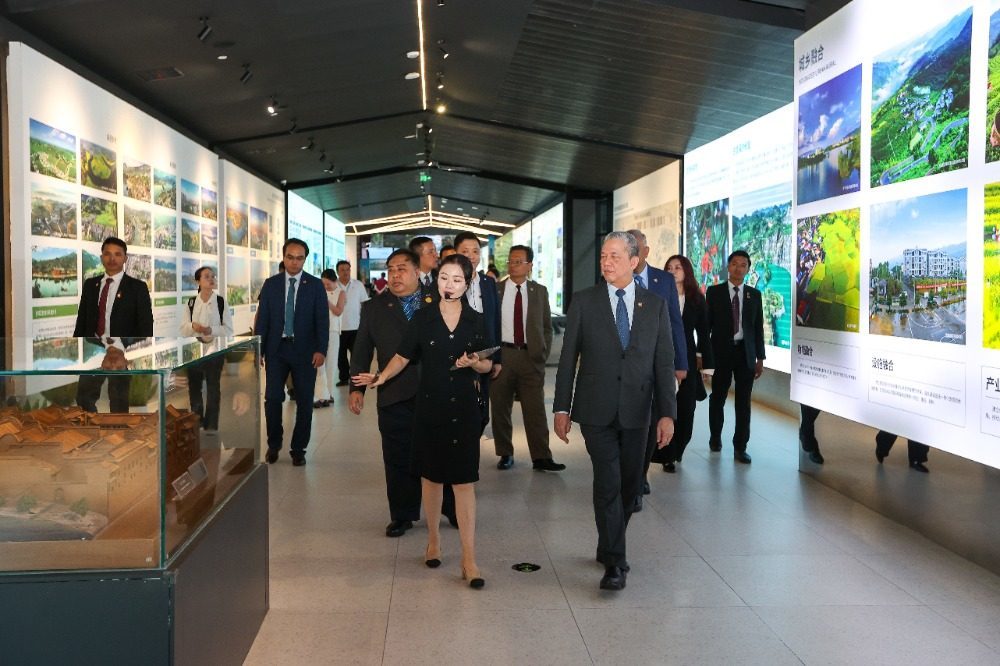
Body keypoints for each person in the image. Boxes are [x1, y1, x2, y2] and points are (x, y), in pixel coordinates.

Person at [354, 254, 491, 589]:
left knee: (464, 481)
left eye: (457, 280)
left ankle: (469, 559)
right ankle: (433, 541)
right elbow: (402, 356)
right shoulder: (423, 317)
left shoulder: (476, 320)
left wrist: (475, 363)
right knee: (431, 478)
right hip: (429, 406)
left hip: (462, 409)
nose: (449, 285)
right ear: (436, 279)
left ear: (467, 283)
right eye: (444, 278)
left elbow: (489, 364)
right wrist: (380, 377)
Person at [554, 231, 676, 591]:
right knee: (607, 481)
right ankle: (615, 563)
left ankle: (608, 542)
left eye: (615, 257)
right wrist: (561, 408)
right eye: (603, 256)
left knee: (629, 485)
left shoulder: (655, 305)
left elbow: (664, 362)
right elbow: (567, 359)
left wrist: (666, 413)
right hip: (596, 408)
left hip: (639, 409)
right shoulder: (584, 301)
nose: (606, 262)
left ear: (634, 261)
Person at [350, 249, 441, 538]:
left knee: (440, 452)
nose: (395, 275)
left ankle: (450, 507)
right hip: (394, 391)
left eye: (402, 268)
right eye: (391, 269)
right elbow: (362, 350)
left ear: (417, 272)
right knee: (397, 455)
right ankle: (402, 514)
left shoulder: (439, 299)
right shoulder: (375, 307)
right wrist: (356, 388)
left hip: (436, 391)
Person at [255, 238, 329, 466]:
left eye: (299, 258)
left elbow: (322, 320)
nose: (294, 262)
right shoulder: (271, 284)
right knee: (272, 398)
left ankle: (299, 449)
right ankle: (274, 444)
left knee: (305, 401)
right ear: (284, 257)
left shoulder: (315, 285)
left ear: (304, 260)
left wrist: (321, 349)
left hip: (305, 352)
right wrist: (258, 349)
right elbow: (263, 319)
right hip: (276, 350)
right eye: (290, 257)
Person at [490, 245, 564, 472]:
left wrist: (542, 354)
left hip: (530, 357)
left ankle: (541, 456)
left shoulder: (539, 291)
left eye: (519, 261)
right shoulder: (496, 290)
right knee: (500, 407)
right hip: (503, 355)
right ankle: (505, 453)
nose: (513, 265)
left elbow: (546, 327)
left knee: (535, 410)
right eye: (511, 261)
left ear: (529, 265)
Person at [628, 229, 687, 508]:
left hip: (656, 365)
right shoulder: (615, 277)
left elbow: (675, 322)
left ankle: (639, 476)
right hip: (626, 365)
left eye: (636, 247)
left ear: (646, 251)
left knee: (651, 421)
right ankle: (628, 475)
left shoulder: (663, 281)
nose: (631, 252)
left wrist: (681, 363)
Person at [74, 237, 153, 413]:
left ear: (125, 258)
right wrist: (79, 349)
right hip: (94, 350)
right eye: (107, 254)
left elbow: (146, 327)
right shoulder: (90, 285)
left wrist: (121, 345)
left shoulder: (137, 287)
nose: (112, 259)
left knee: (119, 402)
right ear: (101, 257)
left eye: (117, 254)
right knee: (84, 399)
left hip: (124, 352)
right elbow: (81, 322)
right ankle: (91, 428)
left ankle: (117, 430)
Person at [703, 250, 765, 464]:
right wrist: (704, 356)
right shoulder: (714, 292)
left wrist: (760, 358)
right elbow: (706, 326)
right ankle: (715, 437)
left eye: (743, 265)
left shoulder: (754, 295)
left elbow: (757, 329)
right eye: (735, 264)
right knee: (718, 397)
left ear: (748, 269)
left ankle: (740, 447)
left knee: (743, 402)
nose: (738, 268)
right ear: (728, 267)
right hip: (721, 352)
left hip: (745, 353)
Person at [655, 254, 713, 472]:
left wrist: (707, 365)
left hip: (686, 361)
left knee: (686, 409)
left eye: (677, 267)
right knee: (663, 407)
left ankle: (678, 448)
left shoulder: (696, 300)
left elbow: (704, 334)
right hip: (660, 358)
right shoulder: (657, 296)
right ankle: (666, 455)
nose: (672, 271)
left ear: (686, 271)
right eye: (669, 268)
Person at [453, 231, 502, 433]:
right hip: (458, 357)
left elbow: (495, 320)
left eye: (475, 251)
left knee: (481, 413)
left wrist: (497, 358)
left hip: (484, 356)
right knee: (458, 413)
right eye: (465, 251)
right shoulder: (448, 282)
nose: (471, 256)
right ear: (455, 254)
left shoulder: (488, 283)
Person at [180, 266, 234, 432]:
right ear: (198, 281)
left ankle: (211, 425)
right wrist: (193, 326)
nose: (211, 279)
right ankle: (197, 421)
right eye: (206, 276)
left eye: (213, 276)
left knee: (213, 387)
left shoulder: (220, 302)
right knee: (194, 387)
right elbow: (183, 329)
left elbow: (228, 330)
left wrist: (211, 330)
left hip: (215, 350)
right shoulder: (191, 303)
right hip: (194, 351)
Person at [313, 268, 346, 408]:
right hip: (319, 331)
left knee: (331, 363)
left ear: (334, 281)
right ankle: (320, 395)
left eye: (328, 284)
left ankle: (329, 394)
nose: (325, 286)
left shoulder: (341, 293)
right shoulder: (318, 292)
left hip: (333, 331)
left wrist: (327, 303)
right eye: (323, 284)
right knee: (319, 364)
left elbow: (338, 311)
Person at [335, 260, 370, 386]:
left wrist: (366, 323)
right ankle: (344, 378)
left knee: (357, 355)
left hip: (356, 327)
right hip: (338, 328)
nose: (345, 272)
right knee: (341, 356)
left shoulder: (358, 285)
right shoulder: (334, 285)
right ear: (337, 272)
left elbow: (365, 304)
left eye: (347, 269)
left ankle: (356, 378)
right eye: (342, 270)